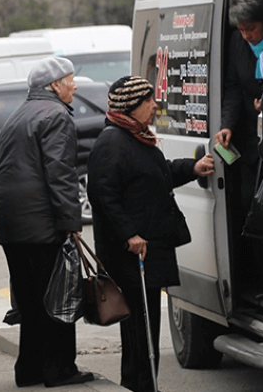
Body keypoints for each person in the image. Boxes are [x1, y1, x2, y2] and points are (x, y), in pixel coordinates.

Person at [87, 76, 214, 392]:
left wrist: (193, 168)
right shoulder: (112, 142)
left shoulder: (136, 138)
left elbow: (158, 174)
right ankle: (141, 385)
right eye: (148, 101)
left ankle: (141, 384)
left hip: (150, 247)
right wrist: (130, 234)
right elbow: (102, 194)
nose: (155, 106)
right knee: (141, 329)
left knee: (146, 326)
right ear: (131, 107)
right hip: (132, 254)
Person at [0, 56, 94, 388]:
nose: (75, 86)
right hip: (40, 221)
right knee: (58, 296)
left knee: (30, 299)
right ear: (55, 86)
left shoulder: (19, 113)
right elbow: (60, 173)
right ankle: (59, 369)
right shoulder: (55, 116)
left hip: (11, 221)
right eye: (70, 79)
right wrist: (70, 221)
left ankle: (29, 369)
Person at [214, 0, 263, 215]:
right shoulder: (238, 42)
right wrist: (227, 124)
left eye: (251, 28)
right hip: (250, 139)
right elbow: (233, 89)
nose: (247, 35)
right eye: (241, 29)